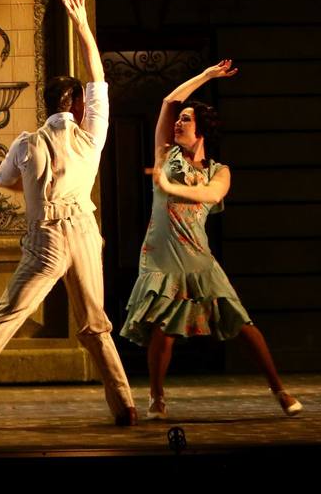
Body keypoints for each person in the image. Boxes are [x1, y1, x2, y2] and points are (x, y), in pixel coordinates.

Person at [0, 0, 136, 429]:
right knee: (96, 324)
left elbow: (5, 182)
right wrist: (81, 25)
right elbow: (99, 79)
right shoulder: (90, 135)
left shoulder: (26, 142)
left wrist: (38, 194)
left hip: (45, 235)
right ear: (76, 105)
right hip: (80, 227)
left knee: (11, 315)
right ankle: (124, 404)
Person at [120, 60, 302, 419]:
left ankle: (279, 388)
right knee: (163, 328)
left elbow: (210, 196)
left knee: (242, 324)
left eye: (187, 119)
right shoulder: (165, 154)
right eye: (181, 118)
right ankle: (156, 397)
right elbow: (169, 102)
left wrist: (168, 186)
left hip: (198, 256)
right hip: (162, 255)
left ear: (201, 129)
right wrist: (205, 76)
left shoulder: (219, 171)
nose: (179, 122)